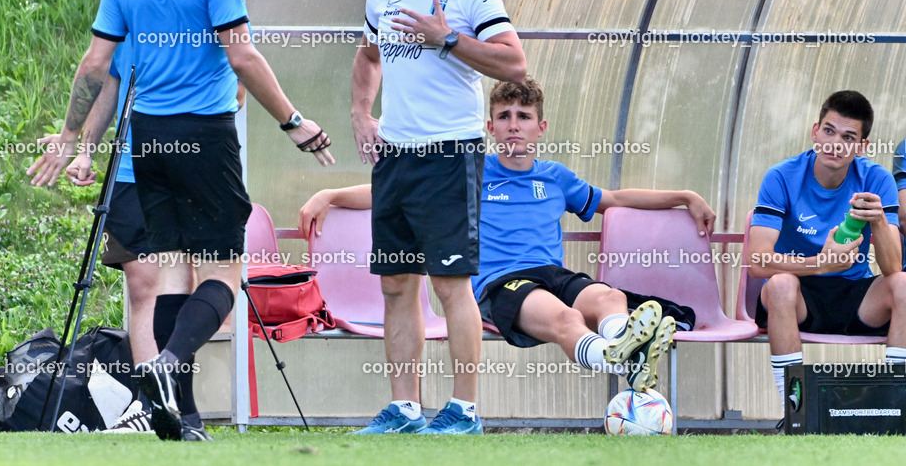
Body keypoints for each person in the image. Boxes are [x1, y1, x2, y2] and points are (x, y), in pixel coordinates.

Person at [30, 0, 333, 441]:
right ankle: (167, 366)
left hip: (147, 138)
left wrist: (71, 137)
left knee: (172, 275)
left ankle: (182, 419)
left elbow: (97, 65)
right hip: (205, 133)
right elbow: (241, 53)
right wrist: (293, 120)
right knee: (222, 268)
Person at [303, 77, 714, 405]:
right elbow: (397, 193)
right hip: (501, 282)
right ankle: (617, 355)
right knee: (567, 319)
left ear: (541, 126)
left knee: (609, 298)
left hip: (553, 274)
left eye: (523, 116)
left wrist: (684, 197)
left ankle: (623, 347)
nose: (513, 124)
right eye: (504, 116)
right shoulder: (470, 170)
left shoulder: (556, 177)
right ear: (490, 127)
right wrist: (331, 195)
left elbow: (616, 199)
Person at [350, 0, 527, 434]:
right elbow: (368, 55)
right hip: (395, 157)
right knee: (397, 284)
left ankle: (463, 411)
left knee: (451, 284)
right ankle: (404, 410)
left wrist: (446, 38)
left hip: (450, 155)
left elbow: (514, 63)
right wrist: (361, 113)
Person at [746, 90, 906, 407]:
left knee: (904, 284)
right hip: (799, 296)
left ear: (862, 147)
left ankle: (896, 406)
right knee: (779, 285)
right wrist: (820, 264)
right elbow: (757, 262)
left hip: (854, 298)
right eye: (829, 131)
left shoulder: (877, 179)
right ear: (815, 131)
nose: (835, 144)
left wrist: (878, 223)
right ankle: (795, 410)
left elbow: (892, 269)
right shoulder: (781, 176)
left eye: (848, 137)